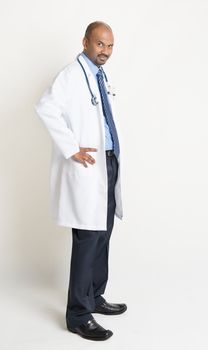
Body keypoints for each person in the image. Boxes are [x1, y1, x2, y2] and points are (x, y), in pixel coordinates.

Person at [35, 21, 126, 341]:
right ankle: (77, 313)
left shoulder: (101, 76)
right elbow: (45, 107)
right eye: (100, 44)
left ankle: (94, 296)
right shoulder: (71, 75)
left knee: (103, 236)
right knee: (88, 238)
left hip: (108, 163)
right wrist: (72, 148)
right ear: (86, 42)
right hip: (88, 168)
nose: (106, 51)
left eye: (111, 46)